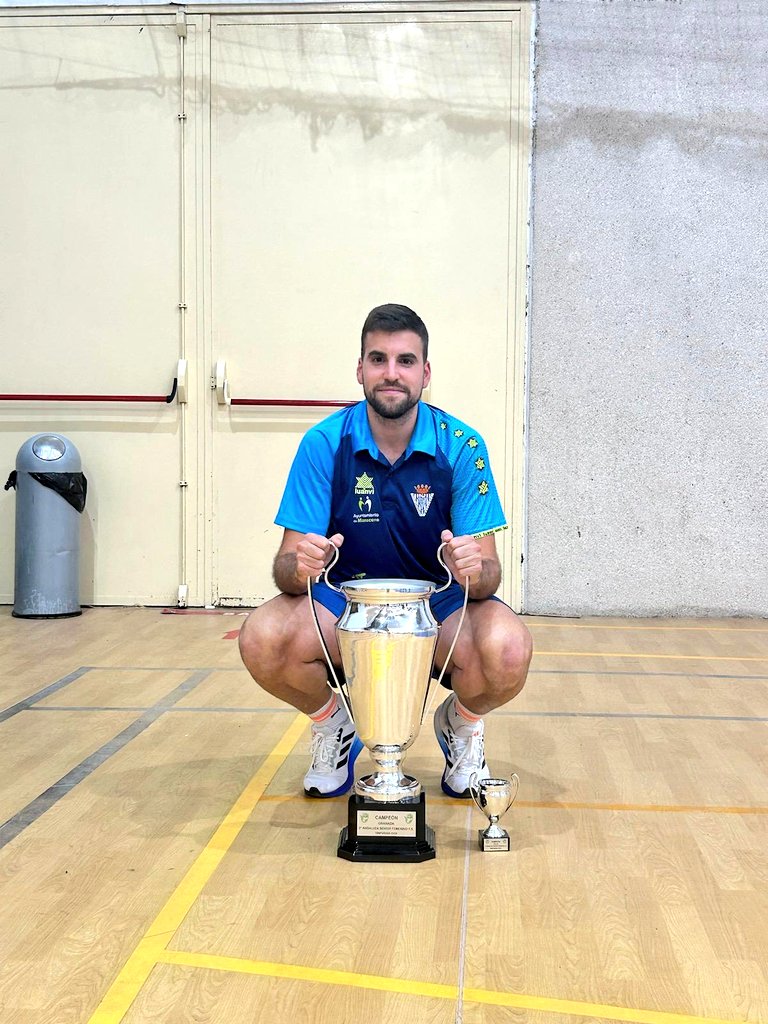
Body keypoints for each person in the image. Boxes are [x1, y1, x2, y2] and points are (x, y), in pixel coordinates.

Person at [239, 303, 532, 800]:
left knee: (507, 650)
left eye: (405, 361)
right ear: (360, 369)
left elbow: (488, 577)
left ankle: (461, 725)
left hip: (437, 609)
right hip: (346, 607)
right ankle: (334, 724)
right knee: (263, 638)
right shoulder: (323, 443)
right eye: (378, 359)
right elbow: (288, 572)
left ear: (425, 372)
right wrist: (301, 563)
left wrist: (471, 568)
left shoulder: (462, 445)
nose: (391, 373)